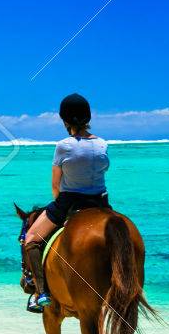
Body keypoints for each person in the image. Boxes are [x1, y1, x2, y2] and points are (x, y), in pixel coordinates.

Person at [21, 93, 111, 312]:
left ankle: (40, 293)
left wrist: (60, 204)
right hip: (101, 203)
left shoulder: (63, 146)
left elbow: (56, 186)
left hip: (69, 202)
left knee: (31, 238)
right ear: (88, 117)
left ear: (64, 120)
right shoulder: (102, 144)